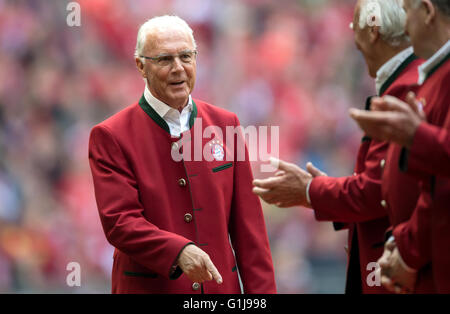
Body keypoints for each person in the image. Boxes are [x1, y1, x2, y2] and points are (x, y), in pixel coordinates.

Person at [88, 15, 276, 294]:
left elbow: (250, 234)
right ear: (141, 65)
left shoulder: (227, 125)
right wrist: (179, 251)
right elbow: (120, 223)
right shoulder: (111, 136)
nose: (178, 68)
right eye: (165, 59)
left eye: (186, 57)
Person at [253, 0, 422, 294]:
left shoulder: (407, 88)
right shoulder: (406, 81)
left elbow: (376, 193)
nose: (352, 34)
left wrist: (310, 191)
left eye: (354, 25)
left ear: (373, 30)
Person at [350, 0, 450, 293]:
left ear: (428, 12)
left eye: (408, 11)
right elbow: (429, 188)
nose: (405, 26)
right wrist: (404, 245)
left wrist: (407, 251)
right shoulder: (435, 77)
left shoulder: (431, 80)